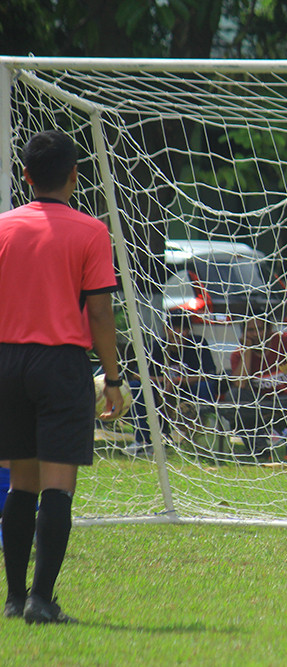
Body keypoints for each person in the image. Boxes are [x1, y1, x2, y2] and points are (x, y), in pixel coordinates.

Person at [0, 130, 124, 624]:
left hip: (7, 362)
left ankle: (12, 599)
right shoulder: (91, 231)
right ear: (75, 176)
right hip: (61, 364)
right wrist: (112, 378)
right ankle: (42, 600)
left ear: (25, 176)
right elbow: (98, 313)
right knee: (58, 485)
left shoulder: (3, 227)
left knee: (20, 484)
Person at [127, 310, 218, 456]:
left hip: (189, 389)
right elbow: (136, 374)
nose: (176, 333)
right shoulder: (157, 346)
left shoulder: (198, 344)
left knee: (205, 387)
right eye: (172, 328)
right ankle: (142, 440)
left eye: (181, 329)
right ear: (165, 329)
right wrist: (163, 381)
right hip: (162, 391)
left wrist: (179, 380)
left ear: (189, 331)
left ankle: (203, 435)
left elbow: (209, 374)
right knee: (135, 387)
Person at [229, 315, 287, 461]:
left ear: (269, 330)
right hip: (259, 404)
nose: (255, 334)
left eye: (260, 329)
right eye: (250, 330)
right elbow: (240, 384)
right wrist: (247, 350)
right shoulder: (238, 354)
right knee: (236, 398)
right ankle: (260, 449)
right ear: (243, 334)